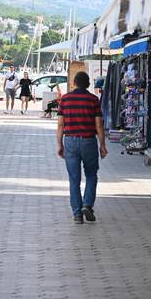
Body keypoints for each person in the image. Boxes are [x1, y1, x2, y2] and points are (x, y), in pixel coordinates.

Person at [57, 72, 107, 224]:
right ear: (88, 84)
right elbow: (99, 124)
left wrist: (60, 144)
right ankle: (88, 205)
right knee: (91, 175)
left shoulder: (65, 99)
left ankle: (77, 214)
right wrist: (102, 145)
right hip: (88, 141)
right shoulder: (93, 100)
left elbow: (60, 124)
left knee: (74, 179)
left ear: (74, 83)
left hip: (70, 141)